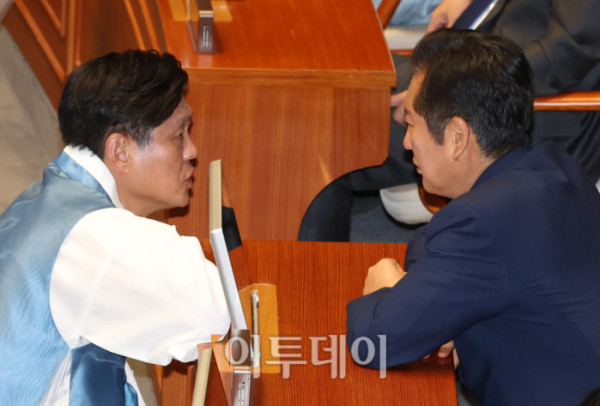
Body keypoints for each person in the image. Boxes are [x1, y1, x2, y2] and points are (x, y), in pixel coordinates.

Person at [346, 29, 600, 405]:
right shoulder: (554, 167)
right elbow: (432, 247)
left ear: (457, 136)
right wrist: (435, 304)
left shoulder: (481, 222)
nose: (406, 141)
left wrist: (386, 285)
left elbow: (373, 341)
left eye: (411, 123)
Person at [0, 50, 231, 405]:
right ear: (120, 151)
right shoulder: (97, 237)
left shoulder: (52, 196)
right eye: (179, 135)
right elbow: (214, 314)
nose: (192, 151)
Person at [299, 0, 600, 240]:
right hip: (473, 63)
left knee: (316, 138)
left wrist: (443, 88)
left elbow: (567, 51)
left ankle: (308, 291)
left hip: (511, 109)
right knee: (309, 82)